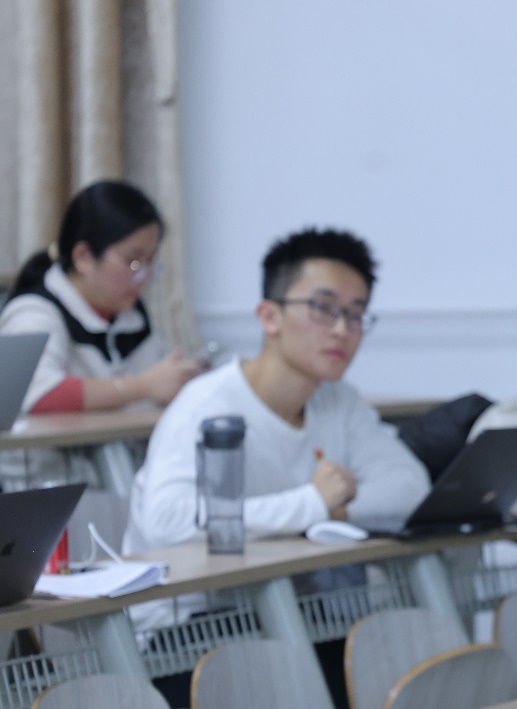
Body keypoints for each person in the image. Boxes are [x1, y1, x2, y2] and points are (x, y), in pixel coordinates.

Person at [125, 227, 429, 554]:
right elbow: (166, 522)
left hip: (285, 581)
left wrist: (334, 513)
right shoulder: (207, 406)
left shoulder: (340, 400)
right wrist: (310, 503)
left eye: (355, 314)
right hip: (189, 586)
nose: (342, 330)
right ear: (270, 317)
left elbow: (410, 484)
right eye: (322, 308)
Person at [0, 180, 205, 487]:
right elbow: (41, 394)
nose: (144, 276)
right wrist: (143, 387)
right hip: (48, 483)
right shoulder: (35, 312)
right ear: (83, 256)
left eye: (150, 262)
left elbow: (161, 380)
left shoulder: (131, 315)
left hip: (124, 475)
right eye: (133, 261)